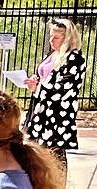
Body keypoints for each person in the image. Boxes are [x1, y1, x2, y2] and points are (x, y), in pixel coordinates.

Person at [23, 16, 86, 165]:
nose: (52, 40)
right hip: (40, 112)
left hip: (56, 115)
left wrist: (38, 88)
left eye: (56, 37)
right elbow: (45, 77)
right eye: (51, 36)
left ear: (67, 39)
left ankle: (58, 188)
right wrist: (35, 80)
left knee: (55, 157)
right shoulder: (52, 55)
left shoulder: (74, 58)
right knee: (38, 155)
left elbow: (64, 88)